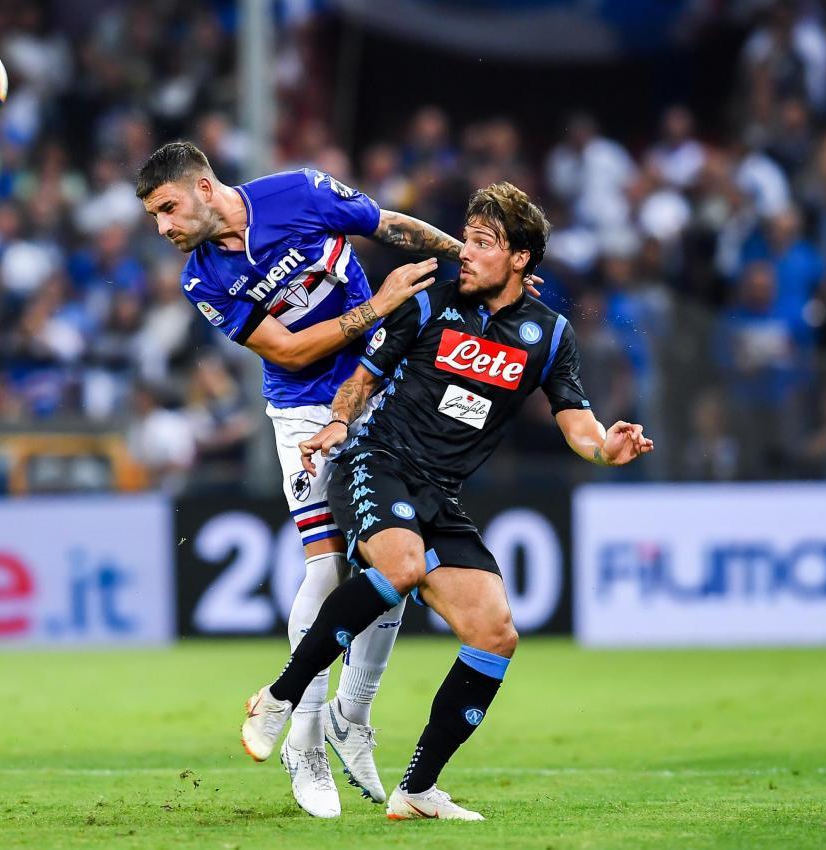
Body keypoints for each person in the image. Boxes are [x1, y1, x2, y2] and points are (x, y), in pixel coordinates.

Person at [136, 141, 541, 817]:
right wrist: (378, 305)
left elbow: (389, 225)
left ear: (204, 188)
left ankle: (354, 715)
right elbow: (288, 349)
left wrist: (475, 271)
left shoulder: (297, 193)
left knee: (390, 565)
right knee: (325, 571)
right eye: (154, 216)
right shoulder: (201, 279)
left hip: (384, 389)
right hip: (302, 413)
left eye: (168, 208)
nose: (163, 227)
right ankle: (306, 740)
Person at [240, 182, 653, 821]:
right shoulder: (429, 301)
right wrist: (341, 423)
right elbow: (363, 378)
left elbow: (577, 423)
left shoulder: (548, 335)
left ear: (520, 259)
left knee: (496, 631)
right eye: (468, 237)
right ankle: (280, 696)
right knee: (399, 568)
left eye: (484, 243)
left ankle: (417, 789)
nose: (468, 250)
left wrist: (606, 447)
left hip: (440, 492)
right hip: (377, 463)